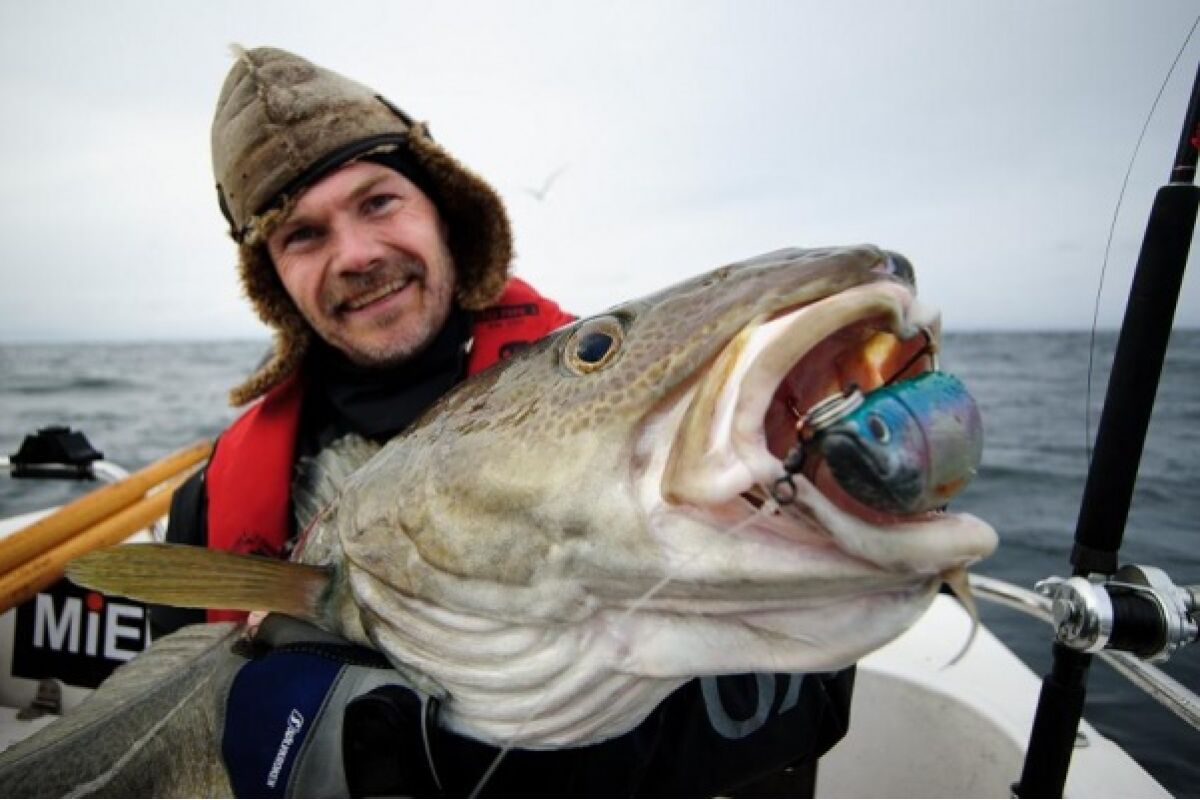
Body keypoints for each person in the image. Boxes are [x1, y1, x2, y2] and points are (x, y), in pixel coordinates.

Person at [155, 46, 852, 797]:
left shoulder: (632, 414)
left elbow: (816, 671)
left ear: (445, 211)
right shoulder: (205, 507)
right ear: (274, 279)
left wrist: (571, 759)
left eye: (378, 202)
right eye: (302, 234)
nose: (355, 254)